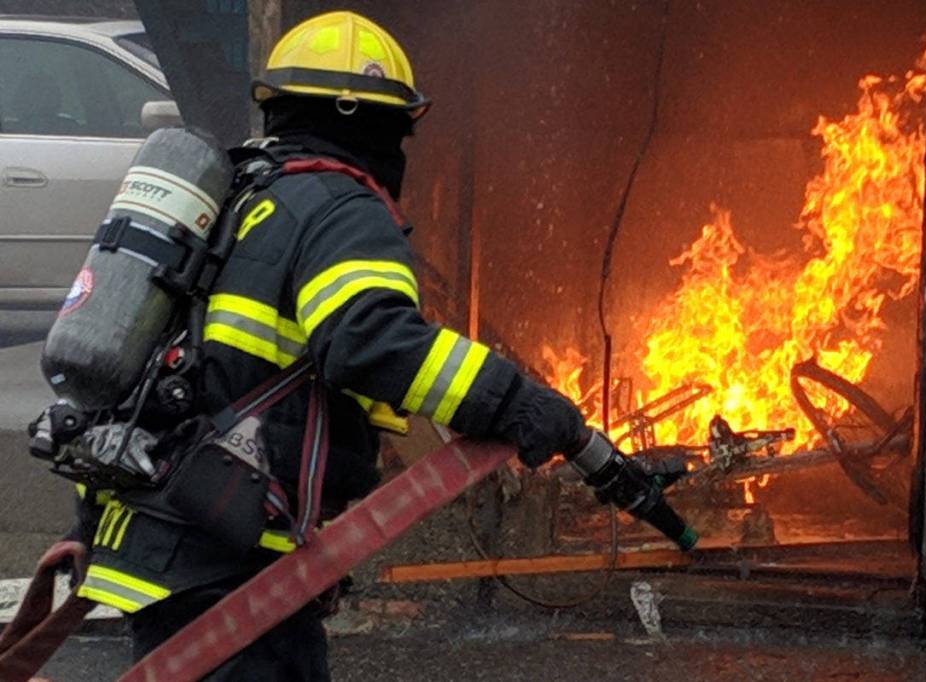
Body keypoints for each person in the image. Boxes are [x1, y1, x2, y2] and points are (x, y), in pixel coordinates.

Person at [71, 11, 589, 680]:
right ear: (368, 123)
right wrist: (517, 401)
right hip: (229, 553)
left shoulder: (242, 192)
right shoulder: (341, 208)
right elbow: (370, 340)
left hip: (163, 528)